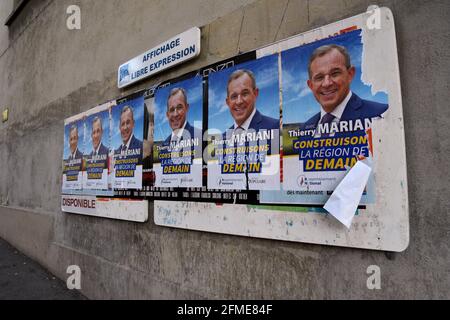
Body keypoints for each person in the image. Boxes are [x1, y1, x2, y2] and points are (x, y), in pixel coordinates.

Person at [302, 44, 388, 134]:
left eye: (335, 74)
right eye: (319, 77)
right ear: (311, 85)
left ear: (350, 74)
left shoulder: (382, 114)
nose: (327, 83)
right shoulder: (304, 129)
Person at [225, 69, 279, 135]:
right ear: (228, 102)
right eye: (234, 96)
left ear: (255, 94)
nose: (239, 101)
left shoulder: (275, 127)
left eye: (245, 94)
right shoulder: (223, 139)